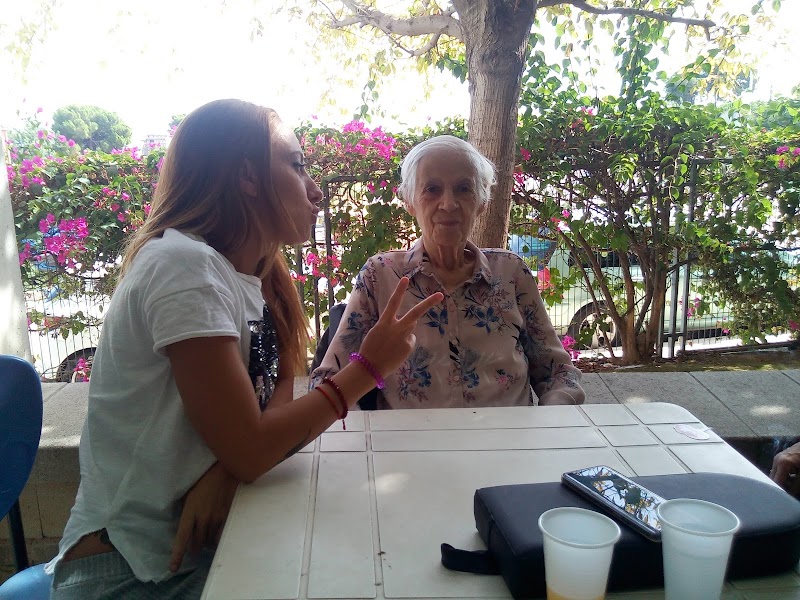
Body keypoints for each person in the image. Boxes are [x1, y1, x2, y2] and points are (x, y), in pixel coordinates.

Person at [45, 99, 443, 599]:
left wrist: (227, 470)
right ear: (248, 177)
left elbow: (272, 395)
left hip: (212, 547)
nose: (315, 190)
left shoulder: (263, 281)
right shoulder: (181, 266)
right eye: (298, 166)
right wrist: (367, 368)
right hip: (129, 569)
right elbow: (255, 447)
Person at [310, 135, 584, 409]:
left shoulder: (511, 273)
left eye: (464, 188)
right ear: (410, 202)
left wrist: (551, 422)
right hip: (411, 446)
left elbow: (559, 374)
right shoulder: (380, 277)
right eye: (432, 189)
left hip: (507, 444)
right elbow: (327, 381)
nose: (449, 204)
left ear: (482, 201)